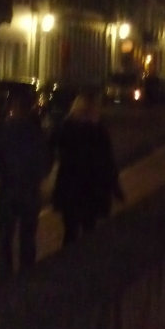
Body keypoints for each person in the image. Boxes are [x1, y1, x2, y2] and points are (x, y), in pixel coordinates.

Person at [0, 89, 52, 282]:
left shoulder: (5, 132)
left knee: (5, 237)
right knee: (27, 236)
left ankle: (4, 277)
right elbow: (45, 160)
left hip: (9, 189)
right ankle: (26, 275)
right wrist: (36, 176)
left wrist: (3, 173)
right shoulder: (36, 133)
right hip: (29, 190)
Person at [52, 91, 124, 245]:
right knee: (89, 229)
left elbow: (51, 149)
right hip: (92, 187)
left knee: (70, 230)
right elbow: (108, 161)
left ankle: (68, 257)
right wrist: (116, 188)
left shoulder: (66, 128)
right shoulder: (98, 131)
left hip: (70, 187)